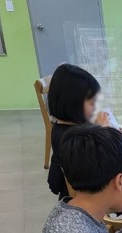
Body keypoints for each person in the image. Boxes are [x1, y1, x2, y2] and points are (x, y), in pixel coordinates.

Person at [47, 64, 110, 198]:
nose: (96, 107)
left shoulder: (68, 127)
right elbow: (98, 165)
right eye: (92, 103)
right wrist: (103, 132)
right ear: (73, 103)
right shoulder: (68, 137)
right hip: (83, 200)